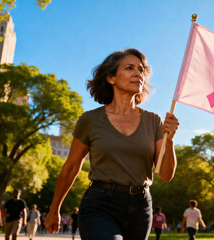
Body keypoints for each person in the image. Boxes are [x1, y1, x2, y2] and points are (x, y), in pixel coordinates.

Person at [44, 48, 179, 239]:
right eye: (129, 68)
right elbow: (72, 166)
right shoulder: (90, 120)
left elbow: (165, 175)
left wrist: (170, 140)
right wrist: (54, 208)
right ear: (111, 78)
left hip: (141, 208)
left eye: (141, 70)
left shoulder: (154, 121)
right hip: (100, 205)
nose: (138, 74)